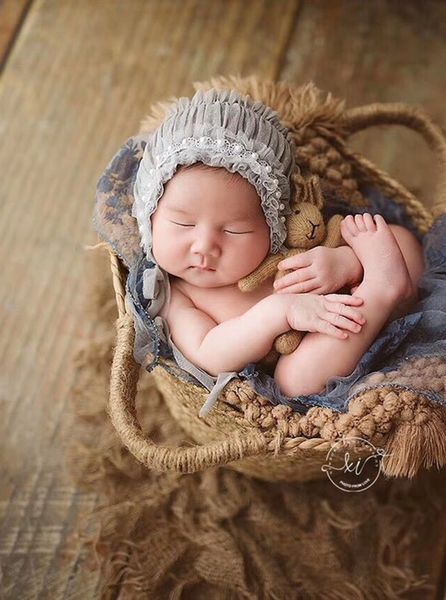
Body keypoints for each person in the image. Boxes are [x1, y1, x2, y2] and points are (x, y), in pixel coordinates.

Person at [132, 88, 424, 400]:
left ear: (271, 224)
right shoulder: (175, 295)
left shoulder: (278, 247)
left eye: (234, 231)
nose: (204, 246)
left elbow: (329, 244)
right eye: (183, 224)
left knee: (398, 238)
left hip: (353, 297)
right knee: (294, 381)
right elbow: (209, 352)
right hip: (328, 343)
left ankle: (386, 281)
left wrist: (345, 264)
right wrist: (279, 313)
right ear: (149, 218)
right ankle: (381, 291)